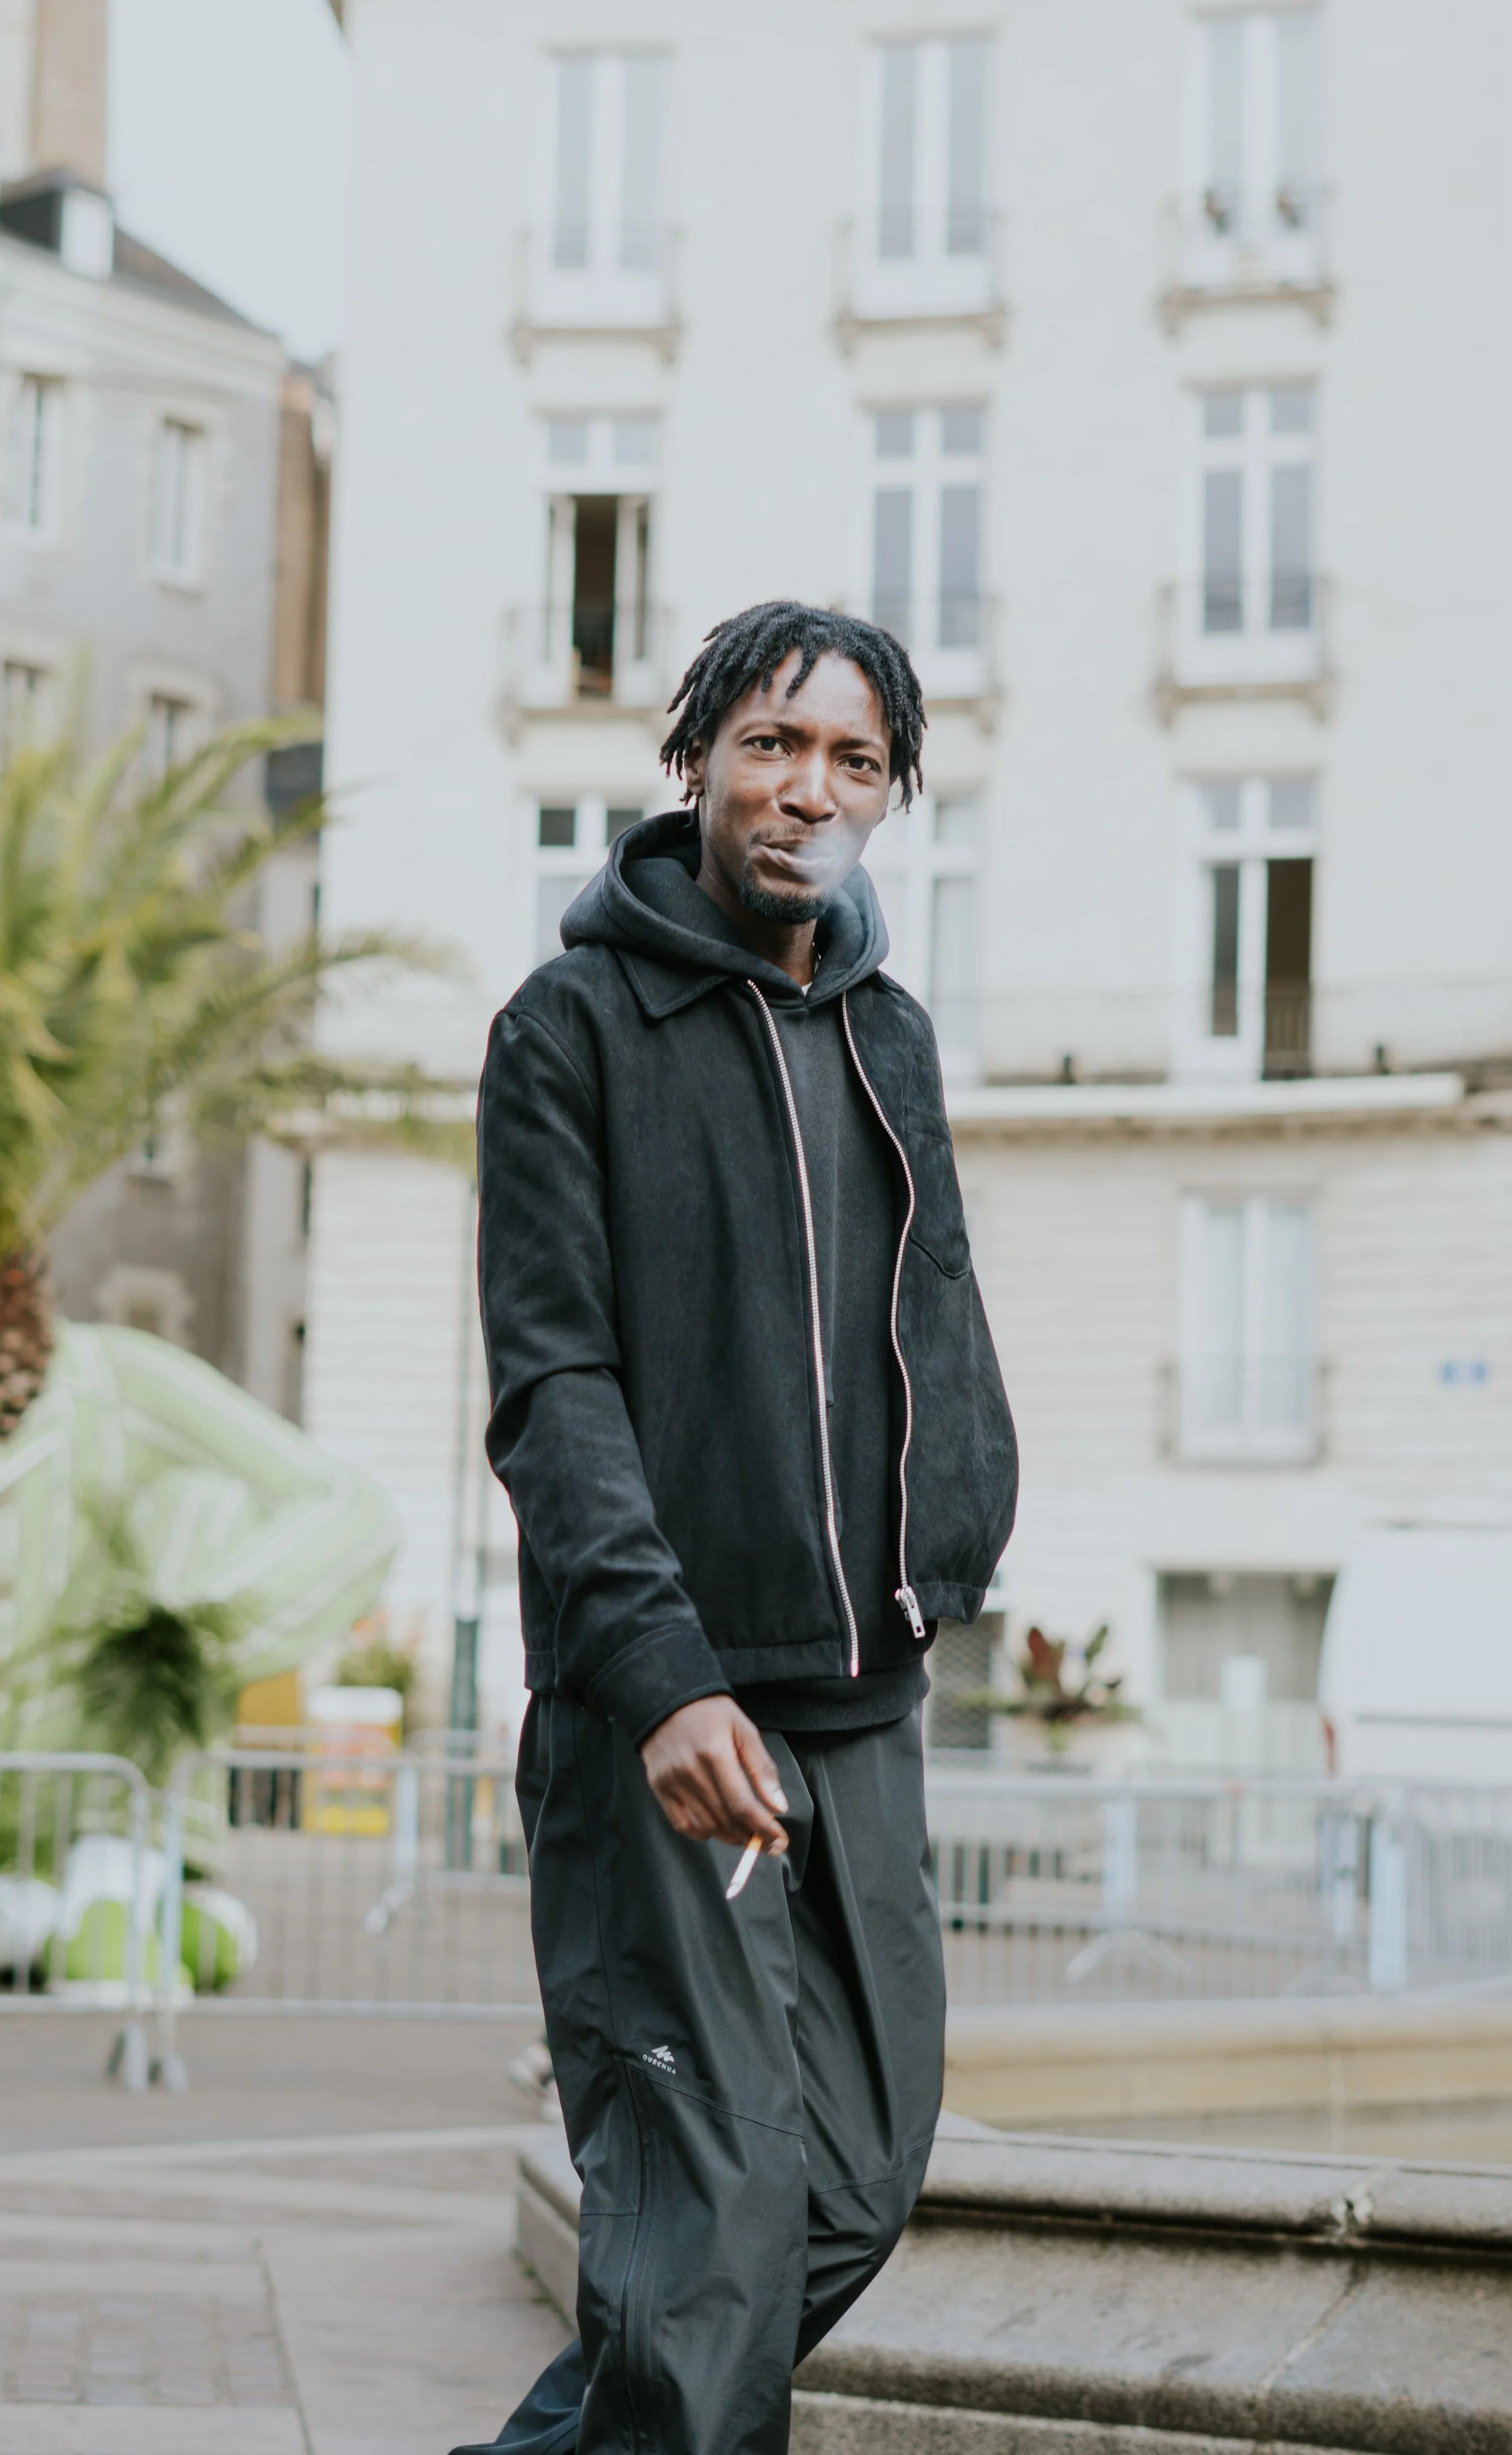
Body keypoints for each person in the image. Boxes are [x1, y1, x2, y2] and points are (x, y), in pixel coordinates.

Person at [461, 601, 1017, 2455]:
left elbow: (929, 1313)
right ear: (695, 757)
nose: (809, 787)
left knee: (852, 2182)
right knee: (703, 2232)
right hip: (670, 1710)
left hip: (858, 1698)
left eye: (854, 758)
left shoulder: (891, 1037)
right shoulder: (571, 1027)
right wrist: (657, 1675)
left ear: (891, 796)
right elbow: (556, 1390)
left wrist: (956, 1537)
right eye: (774, 744)